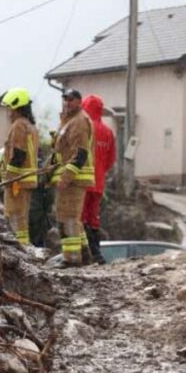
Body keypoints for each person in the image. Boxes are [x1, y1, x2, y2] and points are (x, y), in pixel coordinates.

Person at [50, 89, 95, 266]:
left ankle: (71, 258)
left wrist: (66, 177)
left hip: (74, 179)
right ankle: (83, 255)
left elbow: (80, 153)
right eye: (65, 99)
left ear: (79, 101)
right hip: (71, 178)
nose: (67, 102)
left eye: (71, 99)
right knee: (72, 218)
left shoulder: (79, 121)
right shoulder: (69, 121)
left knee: (67, 217)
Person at [0, 88, 40, 246]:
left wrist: (9, 178)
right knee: (22, 217)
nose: (9, 113)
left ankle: (19, 248)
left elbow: (18, 154)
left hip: (17, 181)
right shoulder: (30, 126)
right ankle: (23, 246)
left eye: (10, 108)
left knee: (14, 216)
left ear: (17, 107)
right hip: (27, 180)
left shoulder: (18, 126)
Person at [81, 94, 116, 264]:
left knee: (80, 216)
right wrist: (100, 171)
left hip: (82, 180)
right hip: (99, 182)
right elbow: (111, 160)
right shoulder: (108, 132)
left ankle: (88, 252)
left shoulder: (84, 128)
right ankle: (97, 252)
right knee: (93, 217)